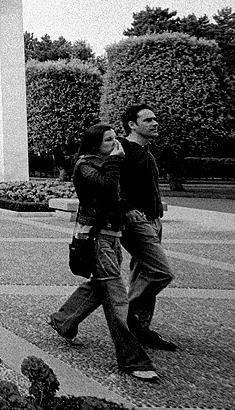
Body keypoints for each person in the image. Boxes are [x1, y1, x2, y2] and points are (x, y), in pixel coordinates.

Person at [49, 124, 159, 383]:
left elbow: (118, 195)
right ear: (95, 144)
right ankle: (133, 359)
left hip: (112, 235)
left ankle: (63, 320)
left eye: (114, 138)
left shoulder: (108, 163)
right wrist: (115, 162)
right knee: (115, 296)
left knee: (101, 286)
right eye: (108, 140)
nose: (115, 143)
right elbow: (107, 188)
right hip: (96, 238)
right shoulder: (85, 165)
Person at [119, 104, 177, 350]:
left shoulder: (146, 152)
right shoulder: (123, 150)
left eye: (155, 119)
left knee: (143, 272)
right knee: (161, 272)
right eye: (148, 120)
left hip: (153, 220)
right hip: (138, 223)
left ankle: (141, 328)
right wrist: (128, 209)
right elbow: (112, 184)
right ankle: (127, 315)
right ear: (132, 125)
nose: (155, 123)